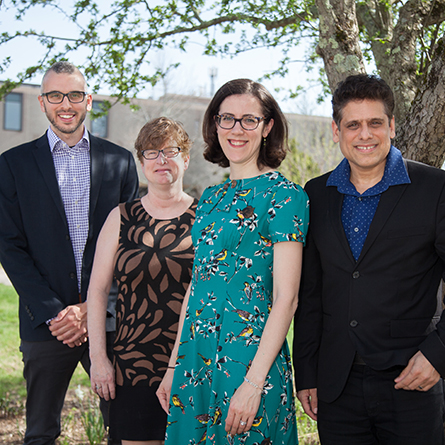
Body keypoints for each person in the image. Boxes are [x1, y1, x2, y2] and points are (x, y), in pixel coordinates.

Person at [293, 74, 445, 444]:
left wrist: (439, 355)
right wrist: (308, 374)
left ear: (391, 126)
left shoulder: (436, 188)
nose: (365, 134)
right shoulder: (316, 194)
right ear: (336, 130)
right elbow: (311, 293)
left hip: (414, 378)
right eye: (353, 124)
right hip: (337, 386)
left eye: (375, 123)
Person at [157, 78, 309, 444]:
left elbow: (287, 299)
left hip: (249, 362)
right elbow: (198, 285)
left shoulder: (286, 196)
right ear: (215, 124)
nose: (236, 129)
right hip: (196, 360)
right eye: (227, 119)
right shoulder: (209, 198)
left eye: (249, 120)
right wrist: (174, 365)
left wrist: (254, 384)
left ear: (268, 126)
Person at [0, 61, 139, 445]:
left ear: (88, 101)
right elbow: (9, 245)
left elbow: (127, 246)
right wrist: (54, 312)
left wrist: (91, 309)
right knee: (40, 432)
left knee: (123, 428)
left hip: (110, 323)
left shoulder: (120, 161)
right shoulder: (13, 165)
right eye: (56, 95)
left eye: (75, 95)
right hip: (46, 324)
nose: (67, 103)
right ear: (43, 102)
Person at [87, 117, 198, 445]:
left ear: (186, 159)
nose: (161, 160)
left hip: (191, 364)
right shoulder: (120, 217)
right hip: (132, 367)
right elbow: (96, 291)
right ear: (140, 162)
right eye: (152, 153)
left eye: (171, 151)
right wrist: (98, 359)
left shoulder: (206, 217)